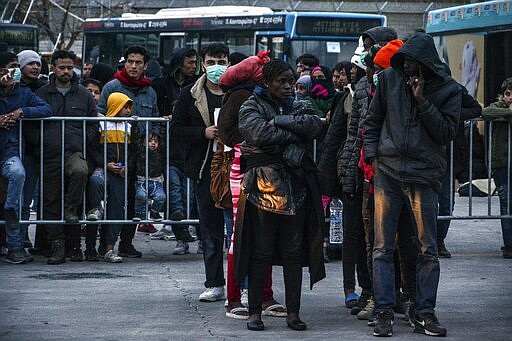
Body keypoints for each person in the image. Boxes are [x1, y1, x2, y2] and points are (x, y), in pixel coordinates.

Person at [363, 32, 461, 337]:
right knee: (382, 247)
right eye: (403, 64)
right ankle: (383, 312)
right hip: (388, 173)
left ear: (426, 65)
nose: (407, 71)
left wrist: (422, 101)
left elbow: (446, 132)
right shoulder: (389, 80)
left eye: (413, 65)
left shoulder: (446, 89)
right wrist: (372, 157)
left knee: (427, 249)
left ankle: (424, 312)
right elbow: (372, 120)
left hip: (424, 175)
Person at [234, 59, 325, 331]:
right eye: (281, 82)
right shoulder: (251, 104)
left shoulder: (298, 102)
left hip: (296, 186)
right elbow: (258, 133)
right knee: (260, 251)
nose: (288, 87)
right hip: (263, 187)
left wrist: (281, 121)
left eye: (290, 81)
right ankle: (254, 312)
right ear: (267, 82)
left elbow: (314, 124)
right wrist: (292, 133)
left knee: (293, 253)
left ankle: (293, 313)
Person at [218, 51, 287, 320]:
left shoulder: (265, 98)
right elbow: (230, 133)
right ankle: (234, 297)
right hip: (245, 170)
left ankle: (262, 296)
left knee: (265, 235)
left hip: (264, 170)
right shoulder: (242, 98)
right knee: (241, 235)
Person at [338, 27, 397, 315]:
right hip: (367, 172)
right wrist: (348, 174)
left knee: (400, 241)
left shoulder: (405, 83)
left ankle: (401, 294)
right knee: (367, 238)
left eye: (372, 46)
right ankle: (371, 291)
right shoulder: (362, 88)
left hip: (399, 172)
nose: (367, 52)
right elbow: (355, 135)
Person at [171, 43, 229, 302]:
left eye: (222, 60)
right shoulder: (189, 94)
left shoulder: (237, 91)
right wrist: (202, 133)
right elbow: (176, 130)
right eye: (212, 61)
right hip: (205, 169)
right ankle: (214, 282)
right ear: (203, 64)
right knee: (210, 229)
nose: (217, 66)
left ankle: (243, 286)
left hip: (235, 168)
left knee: (240, 231)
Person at [97, 45, 160, 258]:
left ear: (145, 65)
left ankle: (127, 242)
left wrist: (154, 138)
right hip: (116, 152)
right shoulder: (111, 87)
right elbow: (97, 118)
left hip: (140, 156)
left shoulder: (150, 91)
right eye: (130, 61)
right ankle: (107, 245)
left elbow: (156, 120)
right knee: (116, 200)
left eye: (138, 62)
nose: (133, 66)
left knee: (135, 201)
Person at [35, 50, 98, 265]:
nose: (66, 72)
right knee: (51, 200)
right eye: (62, 67)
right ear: (53, 68)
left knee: (81, 170)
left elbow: (93, 123)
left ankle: (71, 208)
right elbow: (33, 124)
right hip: (50, 153)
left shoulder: (83, 94)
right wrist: (41, 142)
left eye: (70, 68)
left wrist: (82, 141)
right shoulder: (43, 93)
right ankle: (57, 244)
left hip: (74, 151)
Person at [0, 60, 52, 264]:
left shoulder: (22, 93)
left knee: (19, 174)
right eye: (5, 68)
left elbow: (46, 109)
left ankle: (14, 245)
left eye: (14, 67)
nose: (10, 72)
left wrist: (22, 111)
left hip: (8, 153)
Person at [151, 47, 200, 252]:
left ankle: (189, 232)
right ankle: (181, 236)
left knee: (189, 195)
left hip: (189, 147)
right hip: (169, 146)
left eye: (195, 62)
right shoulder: (162, 84)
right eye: (190, 62)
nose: (193, 66)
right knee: (174, 191)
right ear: (180, 62)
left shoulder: (197, 84)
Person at [91, 92, 135, 263]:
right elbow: (93, 149)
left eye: (129, 107)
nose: (128, 110)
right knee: (95, 181)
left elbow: (134, 151)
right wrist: (105, 164)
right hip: (103, 169)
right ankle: (96, 209)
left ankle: (109, 248)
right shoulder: (100, 124)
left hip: (121, 172)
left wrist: (126, 167)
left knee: (117, 208)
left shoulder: (131, 125)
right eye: (125, 106)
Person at [481, 77, 512, 259]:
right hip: (501, 164)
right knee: (506, 202)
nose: (510, 98)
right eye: (508, 94)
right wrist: (509, 112)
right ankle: (509, 244)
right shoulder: (498, 106)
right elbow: (486, 112)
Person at [133, 132, 166, 223]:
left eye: (155, 141)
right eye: (149, 141)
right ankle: (138, 212)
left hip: (156, 181)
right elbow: (135, 140)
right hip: (142, 181)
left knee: (161, 196)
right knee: (141, 195)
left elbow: (163, 138)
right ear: (143, 143)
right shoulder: (140, 152)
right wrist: (135, 126)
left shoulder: (161, 153)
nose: (153, 143)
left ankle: (154, 212)